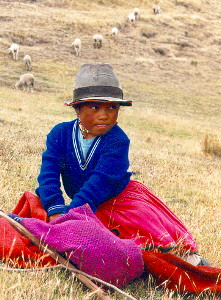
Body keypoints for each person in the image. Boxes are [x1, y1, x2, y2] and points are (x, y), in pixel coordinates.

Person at [35, 63, 209, 266]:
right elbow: (48, 175)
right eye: (94, 107)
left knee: (146, 247)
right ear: (77, 108)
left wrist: (69, 219)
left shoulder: (118, 141)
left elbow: (98, 185)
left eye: (112, 107)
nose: (104, 114)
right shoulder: (60, 134)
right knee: (38, 218)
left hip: (121, 203)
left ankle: (189, 263)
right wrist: (56, 211)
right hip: (84, 206)